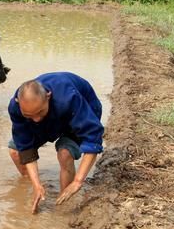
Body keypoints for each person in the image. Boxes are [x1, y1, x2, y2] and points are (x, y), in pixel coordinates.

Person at [7, 72, 104, 214]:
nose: (36, 120)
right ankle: (37, 189)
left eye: (40, 112)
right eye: (28, 115)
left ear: (48, 96)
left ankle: (63, 202)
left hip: (83, 112)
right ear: (18, 103)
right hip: (51, 117)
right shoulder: (16, 108)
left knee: (65, 153)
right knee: (15, 152)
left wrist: (78, 181)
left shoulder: (68, 98)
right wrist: (36, 185)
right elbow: (25, 147)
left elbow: (93, 138)